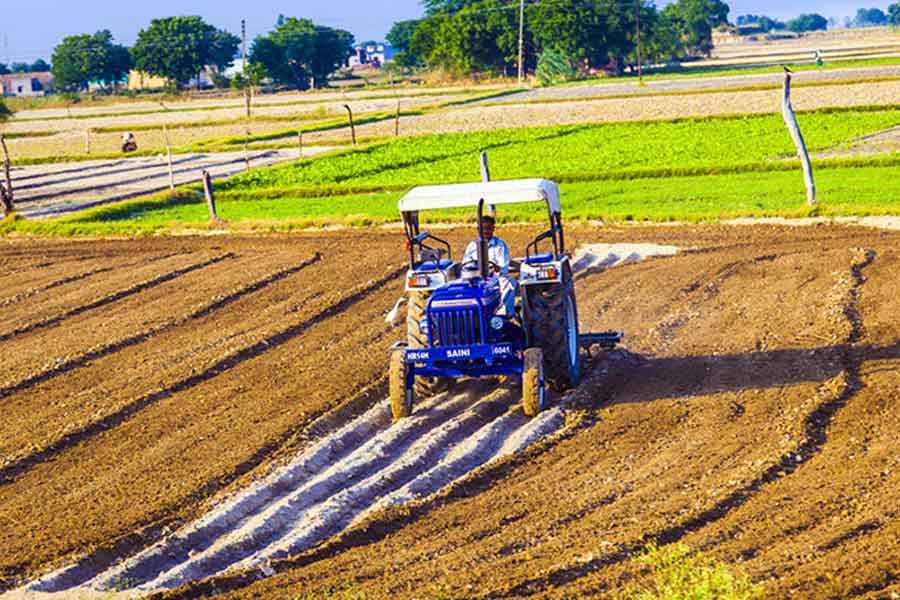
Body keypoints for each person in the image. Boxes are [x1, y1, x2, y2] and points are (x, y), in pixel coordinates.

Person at [463, 215, 516, 316]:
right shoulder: (472, 246)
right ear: (478, 229)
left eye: (488, 229)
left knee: (510, 282)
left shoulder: (499, 245)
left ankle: (504, 313)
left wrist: (496, 267)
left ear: (493, 229)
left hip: (494, 277)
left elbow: (503, 266)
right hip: (475, 278)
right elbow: (465, 264)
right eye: (483, 229)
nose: (486, 232)